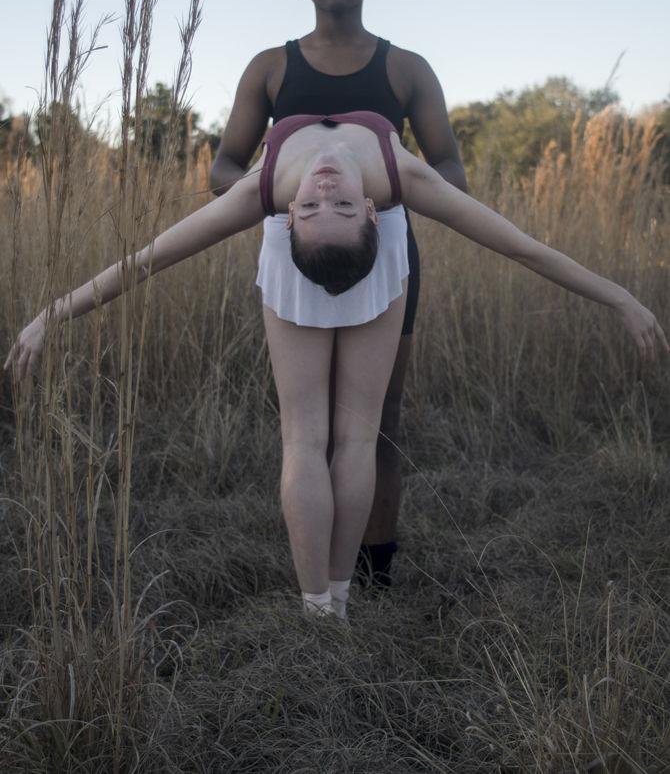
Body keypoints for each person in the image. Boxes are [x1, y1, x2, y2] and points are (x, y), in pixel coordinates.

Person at [5, 110, 668, 623]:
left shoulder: (330, 190)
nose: (323, 191)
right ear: (285, 218)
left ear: (376, 217)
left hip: (374, 265)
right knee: (307, 436)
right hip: (305, 264)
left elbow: (519, 246)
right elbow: (148, 257)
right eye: (323, 204)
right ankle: (317, 607)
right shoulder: (366, 182)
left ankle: (336, 599)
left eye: (338, 204)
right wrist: (54, 314)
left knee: (354, 435)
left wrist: (618, 296)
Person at [209, 0, 469, 593]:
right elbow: (224, 166)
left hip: (384, 253)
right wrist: (279, 190)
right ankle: (318, 573)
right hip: (298, 251)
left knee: (380, 420)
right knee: (307, 425)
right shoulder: (271, 68)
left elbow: (448, 166)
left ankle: (374, 570)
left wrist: (383, 192)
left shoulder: (406, 68)